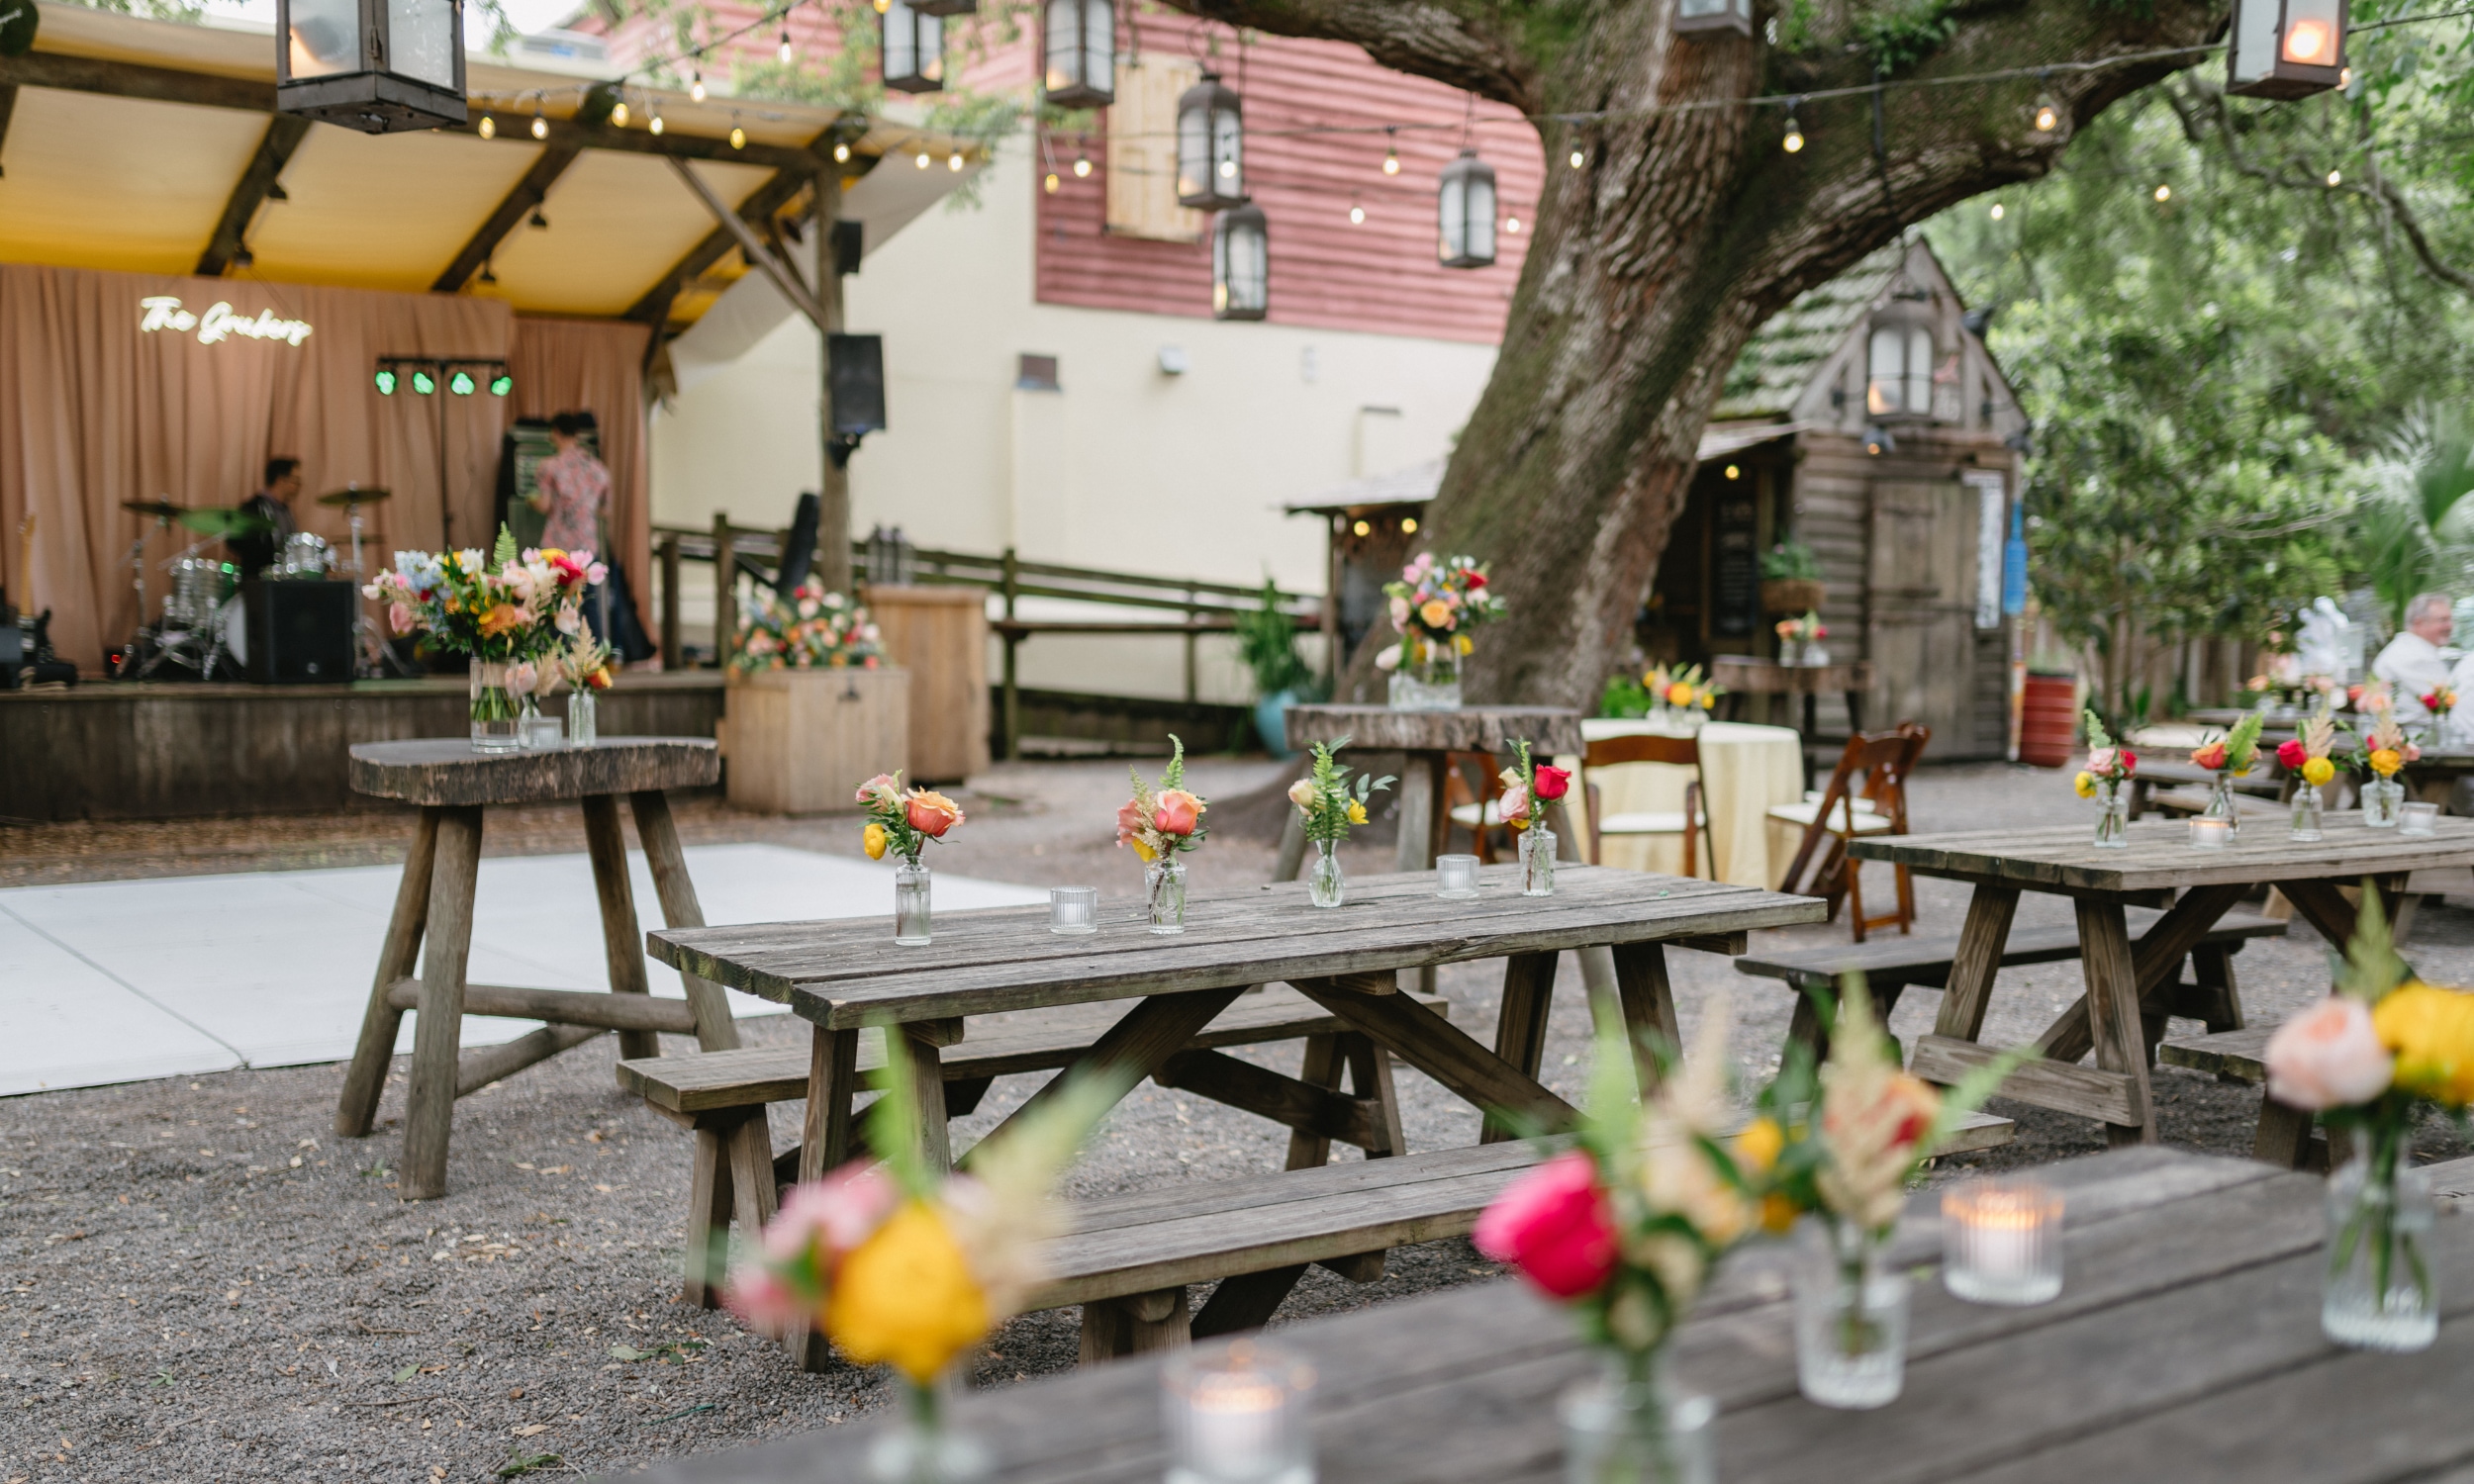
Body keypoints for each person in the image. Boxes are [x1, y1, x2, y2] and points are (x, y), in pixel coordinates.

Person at [530, 413, 610, 558]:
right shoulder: (599, 469)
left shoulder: (549, 466)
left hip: (557, 544)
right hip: (587, 545)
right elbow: (605, 510)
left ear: (555, 432)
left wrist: (530, 500)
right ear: (576, 434)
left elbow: (543, 505)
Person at [2375, 592, 2456, 730]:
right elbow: (2449, 706)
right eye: (2442, 620)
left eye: (2450, 620)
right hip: (2413, 738)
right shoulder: (2414, 656)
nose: (2450, 626)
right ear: (2418, 623)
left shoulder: (2406, 646)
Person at [229, 456, 302, 579]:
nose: (299, 486)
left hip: (284, 579)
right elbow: (235, 541)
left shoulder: (286, 511)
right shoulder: (253, 507)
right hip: (258, 579)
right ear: (280, 480)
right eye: (296, 481)